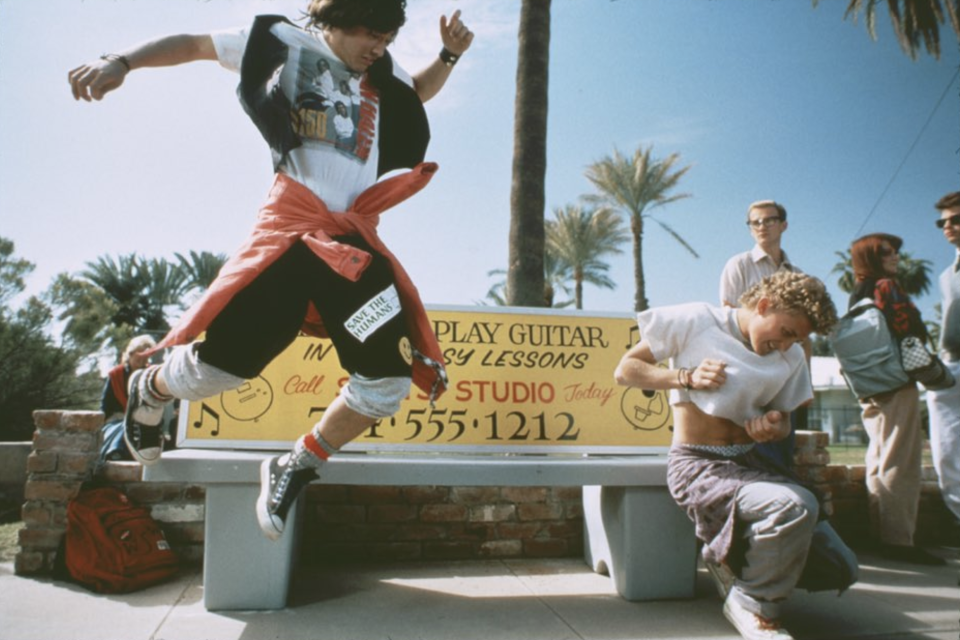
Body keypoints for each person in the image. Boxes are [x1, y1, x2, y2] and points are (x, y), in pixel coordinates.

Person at [68, 0, 474, 541]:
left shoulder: (381, 71)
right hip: (292, 228)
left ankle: (298, 463)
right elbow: (193, 43)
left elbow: (416, 93)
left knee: (387, 381)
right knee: (225, 368)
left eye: (386, 36)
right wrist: (121, 60)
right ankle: (152, 388)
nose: (378, 47)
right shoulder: (281, 41)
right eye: (367, 34)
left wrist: (448, 55)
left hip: (352, 240)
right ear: (333, 20)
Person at [615, 271, 854, 640]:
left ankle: (730, 560)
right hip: (697, 463)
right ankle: (754, 605)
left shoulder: (789, 357)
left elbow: (784, 420)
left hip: (751, 463)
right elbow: (626, 370)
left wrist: (774, 426)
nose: (788, 345)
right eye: (788, 331)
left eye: (799, 339)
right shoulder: (697, 320)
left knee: (841, 567)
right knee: (794, 506)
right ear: (763, 306)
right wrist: (686, 377)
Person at [848, 233, 945, 565]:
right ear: (872, 257)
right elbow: (909, 332)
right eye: (887, 252)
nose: (896, 257)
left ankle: (882, 534)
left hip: (869, 385)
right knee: (901, 462)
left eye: (896, 252)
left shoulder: (857, 293)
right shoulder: (886, 287)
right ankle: (899, 541)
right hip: (897, 382)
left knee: (878, 458)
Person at [719, 200, 807, 469]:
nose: (761, 226)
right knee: (749, 452)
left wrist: (805, 381)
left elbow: (803, 335)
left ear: (783, 225)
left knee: (781, 450)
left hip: (784, 375)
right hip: (749, 372)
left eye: (769, 220)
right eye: (755, 222)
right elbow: (728, 318)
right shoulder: (739, 265)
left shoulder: (798, 276)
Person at [927, 191, 960, 535]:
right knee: (947, 458)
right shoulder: (947, 274)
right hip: (950, 373)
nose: (948, 226)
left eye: (955, 219)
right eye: (942, 222)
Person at [98, 335, 157, 464]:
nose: (143, 359)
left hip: (142, 417)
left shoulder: (150, 374)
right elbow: (105, 404)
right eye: (140, 355)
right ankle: (114, 452)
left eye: (146, 356)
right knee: (123, 426)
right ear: (130, 354)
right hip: (117, 419)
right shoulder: (115, 374)